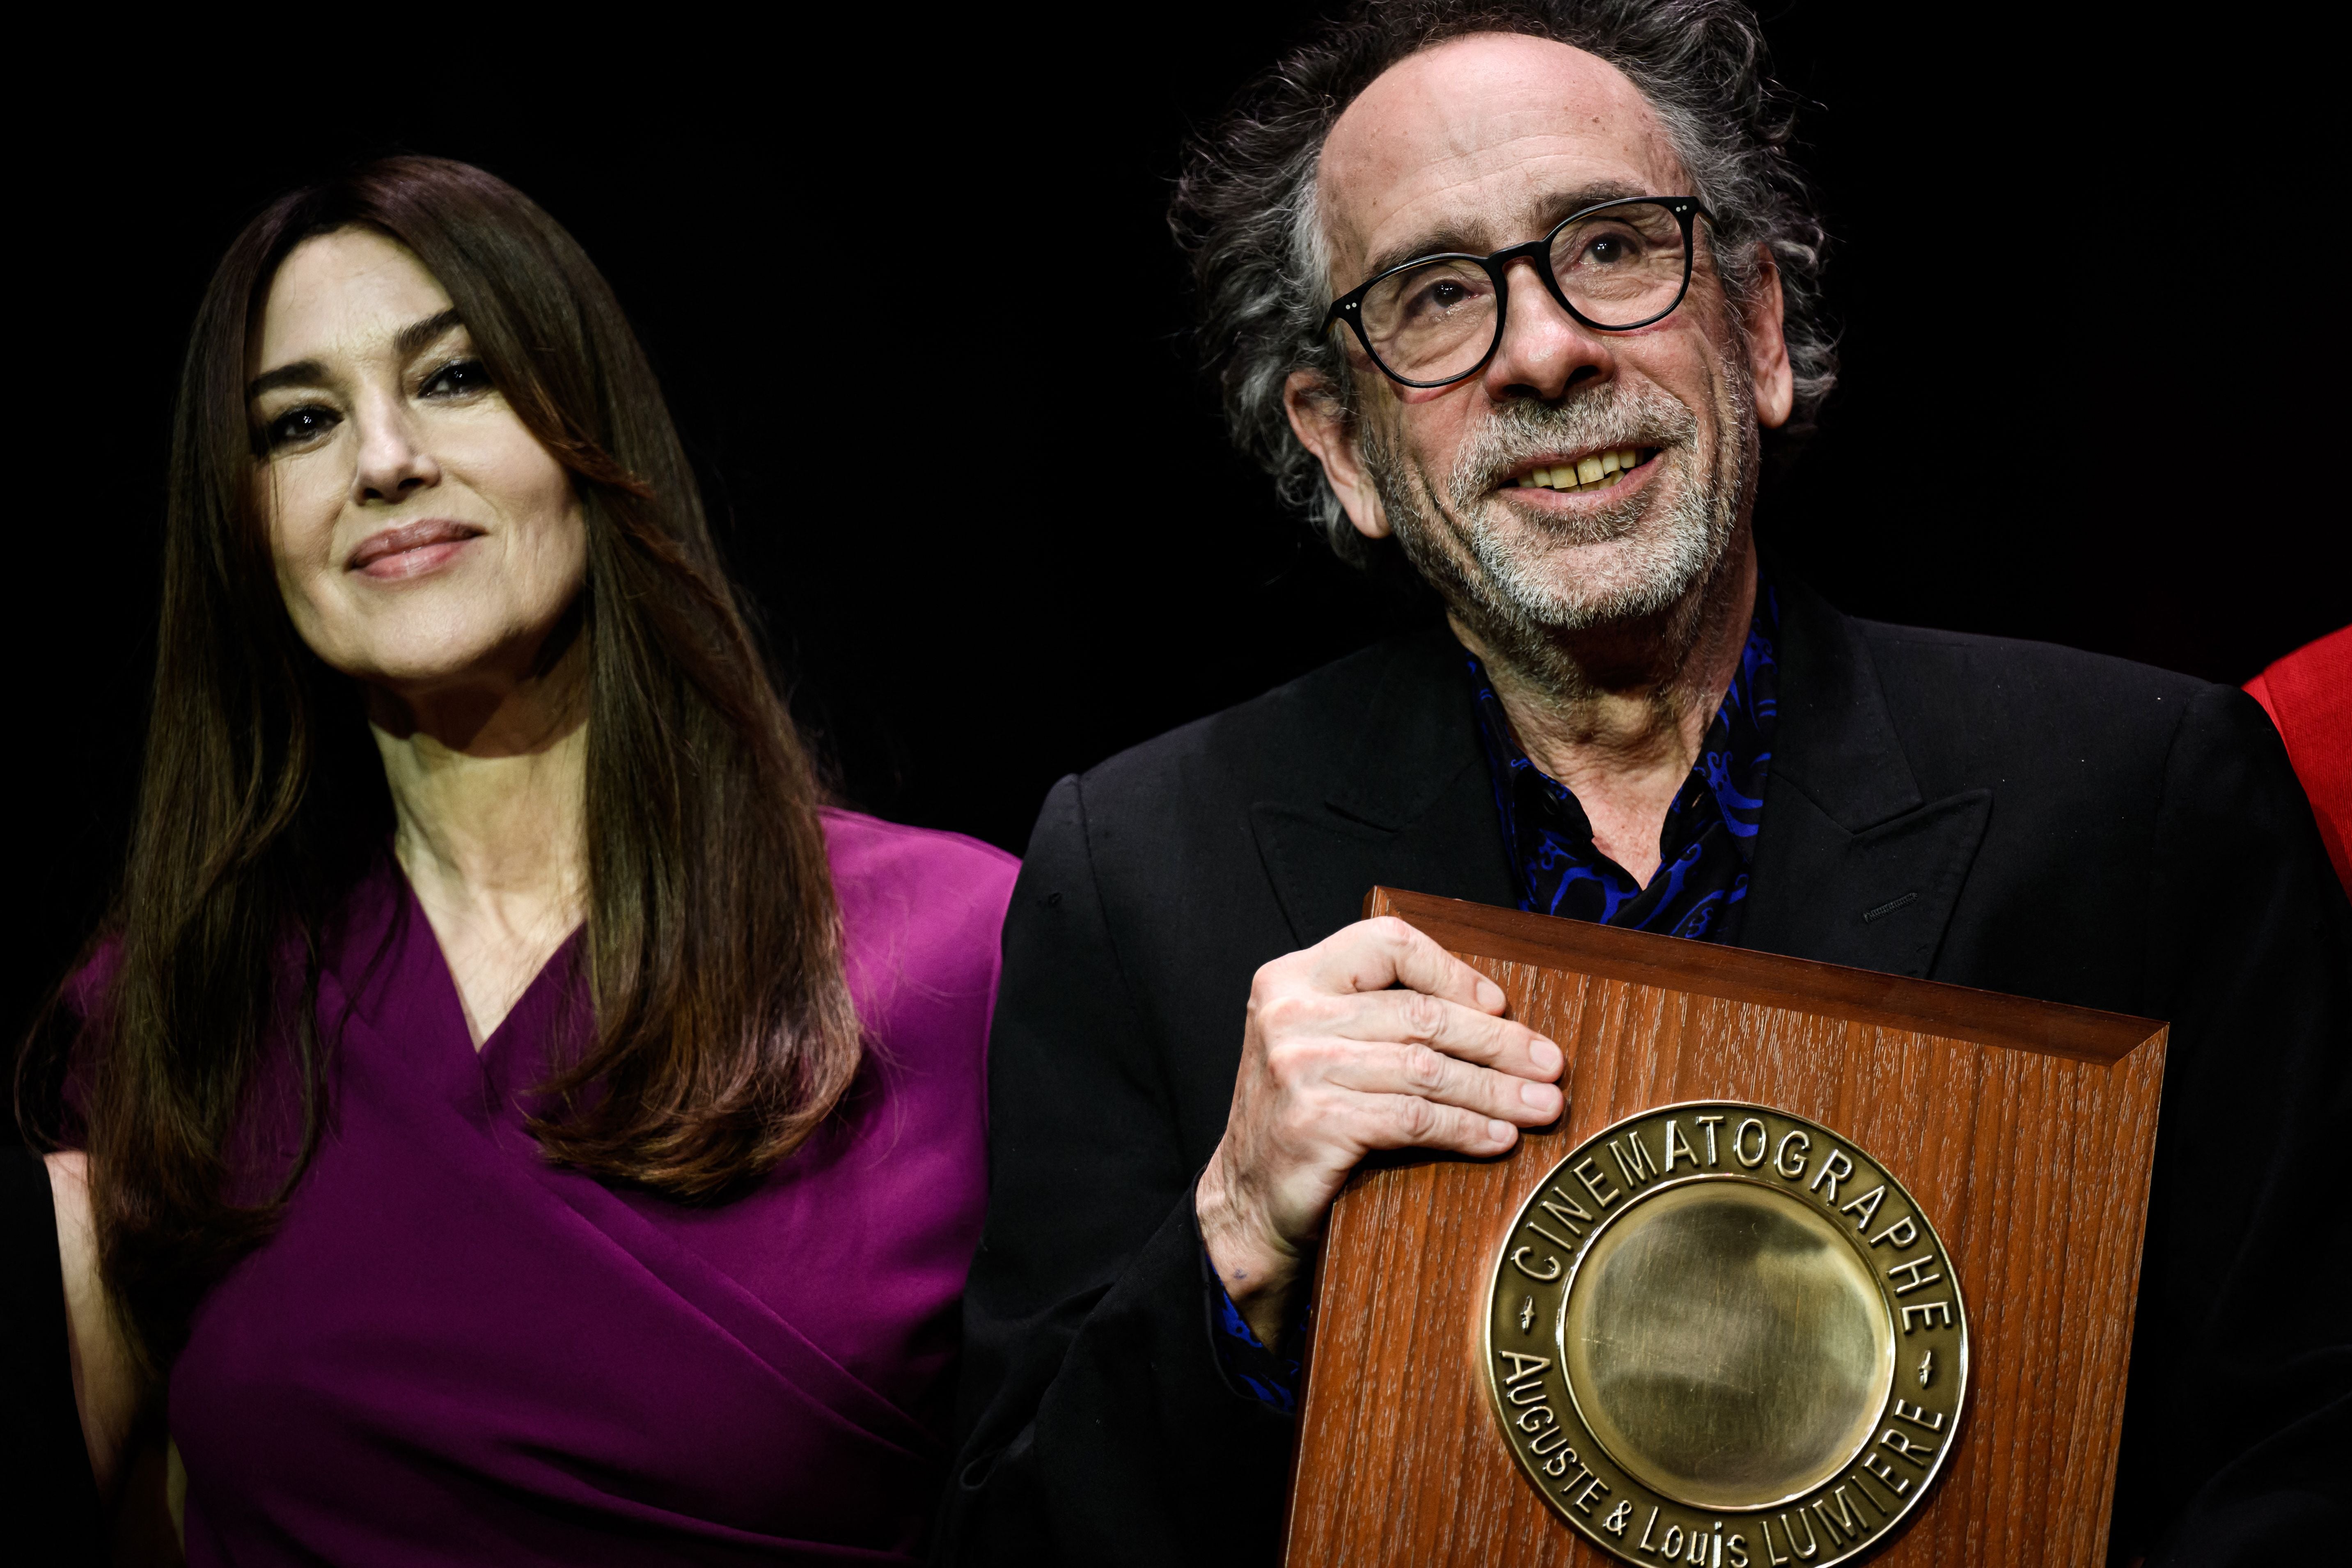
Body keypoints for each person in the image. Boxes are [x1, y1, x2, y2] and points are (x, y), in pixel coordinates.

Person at [941, 3, 2352, 1565]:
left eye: (1610, 248)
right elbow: (1016, 1540)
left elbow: (2313, 1446)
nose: (1545, 351)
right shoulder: (1136, 870)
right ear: (1340, 443)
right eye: (1433, 297)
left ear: (1753, 331)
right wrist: (1235, 1239)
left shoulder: (2146, 794)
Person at [13, 156, 1015, 1564]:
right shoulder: (173, 1008)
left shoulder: (964, 955)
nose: (382, 461)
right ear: (247, 530)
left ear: (584, 432)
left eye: (455, 378)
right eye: (300, 422)